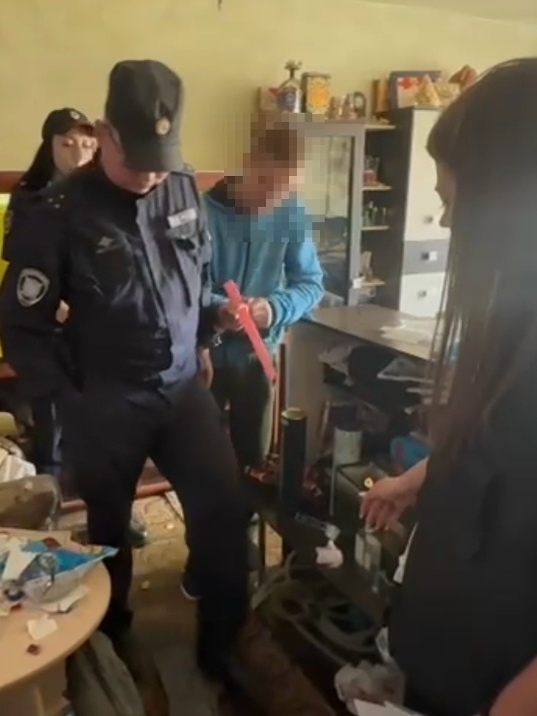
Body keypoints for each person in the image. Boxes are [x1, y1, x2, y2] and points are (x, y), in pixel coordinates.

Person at [0, 59, 250, 681]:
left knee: (224, 510)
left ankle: (222, 648)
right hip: (106, 397)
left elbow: (190, 277)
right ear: (105, 133)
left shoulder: (183, 186)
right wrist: (69, 397)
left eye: (161, 160)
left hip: (181, 386)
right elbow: (23, 326)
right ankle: (113, 647)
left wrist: (210, 327)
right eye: (138, 161)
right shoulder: (56, 211)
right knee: (108, 532)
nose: (151, 175)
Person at [362, 58, 537, 716]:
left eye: (452, 202)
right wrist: (421, 477)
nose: (444, 222)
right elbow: (499, 439)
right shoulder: (514, 313)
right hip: (454, 650)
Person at [3, 108, 97, 475]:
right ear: (50, 147)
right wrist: (55, 303)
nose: (79, 154)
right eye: (67, 144)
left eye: (88, 145)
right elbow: (25, 269)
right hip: (36, 319)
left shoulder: (100, 196)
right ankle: (49, 482)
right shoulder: (31, 197)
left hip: (84, 316)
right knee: (52, 405)